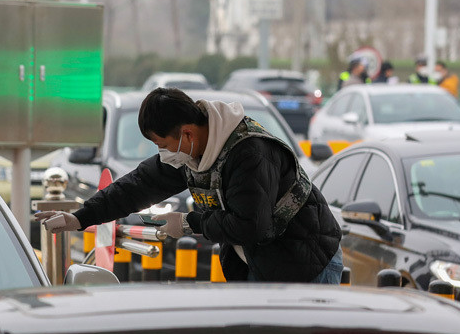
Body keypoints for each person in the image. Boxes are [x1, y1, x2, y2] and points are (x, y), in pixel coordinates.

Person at [35, 88, 343, 283]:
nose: (163, 153)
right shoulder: (191, 154)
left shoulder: (250, 154)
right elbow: (137, 185)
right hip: (264, 263)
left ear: (187, 133)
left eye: (163, 143)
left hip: (306, 262)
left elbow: (252, 225)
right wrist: (81, 216)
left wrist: (188, 222)